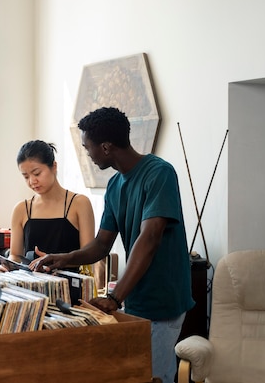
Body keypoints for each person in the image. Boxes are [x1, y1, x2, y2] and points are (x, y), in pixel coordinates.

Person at [31, 107, 194, 383]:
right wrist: (62, 258)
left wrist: (115, 298)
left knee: (154, 377)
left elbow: (149, 238)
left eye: (88, 148)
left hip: (164, 300)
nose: (88, 154)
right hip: (136, 300)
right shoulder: (116, 185)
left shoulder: (160, 173)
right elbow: (101, 244)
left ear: (105, 147)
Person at [4, 140, 97, 278]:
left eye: (37, 173)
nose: (32, 181)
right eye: (26, 176)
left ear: (54, 166)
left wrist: (56, 260)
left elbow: (89, 257)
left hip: (71, 288)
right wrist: (8, 266)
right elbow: (15, 255)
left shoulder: (79, 203)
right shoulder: (21, 209)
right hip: (32, 291)